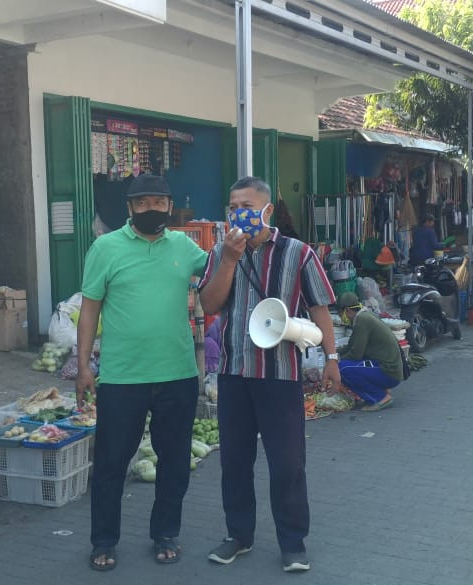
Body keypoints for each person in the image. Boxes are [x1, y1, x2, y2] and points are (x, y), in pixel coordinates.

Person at [199, 176, 341, 573]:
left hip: (279, 374)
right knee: (235, 461)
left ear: (266, 210)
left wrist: (331, 358)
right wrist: (228, 259)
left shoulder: (298, 253)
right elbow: (210, 301)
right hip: (233, 371)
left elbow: (319, 308)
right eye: (232, 206)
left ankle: (293, 542)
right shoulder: (219, 252)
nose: (237, 212)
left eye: (246, 204)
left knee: (287, 462)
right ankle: (238, 536)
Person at [74, 174, 208, 571]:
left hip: (177, 374)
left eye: (159, 202)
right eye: (144, 203)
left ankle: (166, 533)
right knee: (112, 463)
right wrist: (83, 365)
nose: (152, 209)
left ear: (170, 206)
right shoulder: (105, 248)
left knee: (174, 461)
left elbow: (222, 275)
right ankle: (103, 540)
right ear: (130, 208)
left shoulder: (185, 246)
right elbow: (90, 309)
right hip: (121, 377)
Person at [335, 291, 402, 411]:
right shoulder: (364, 316)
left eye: (340, 314)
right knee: (343, 365)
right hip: (388, 368)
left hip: (389, 372)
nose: (341, 318)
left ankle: (380, 398)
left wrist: (335, 363)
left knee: (342, 369)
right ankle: (381, 390)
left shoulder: (362, 321)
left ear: (348, 311)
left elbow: (356, 354)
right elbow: (351, 345)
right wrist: (333, 354)